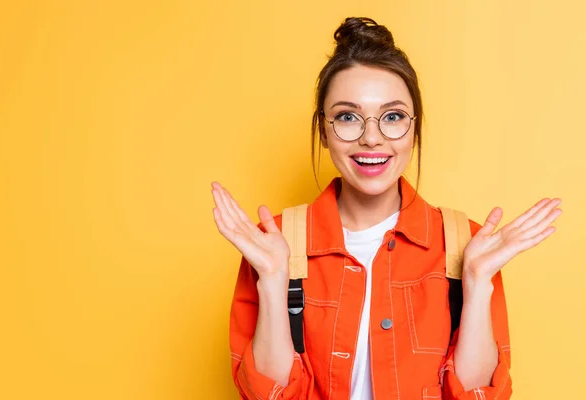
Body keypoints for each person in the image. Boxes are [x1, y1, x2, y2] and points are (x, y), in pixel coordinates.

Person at [211, 17, 562, 400]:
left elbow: (477, 396)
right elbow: (270, 396)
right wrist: (274, 281)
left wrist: (477, 283)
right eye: (348, 116)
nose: (372, 137)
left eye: (393, 116)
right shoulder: (273, 245)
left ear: (415, 129)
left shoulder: (468, 245)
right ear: (323, 132)